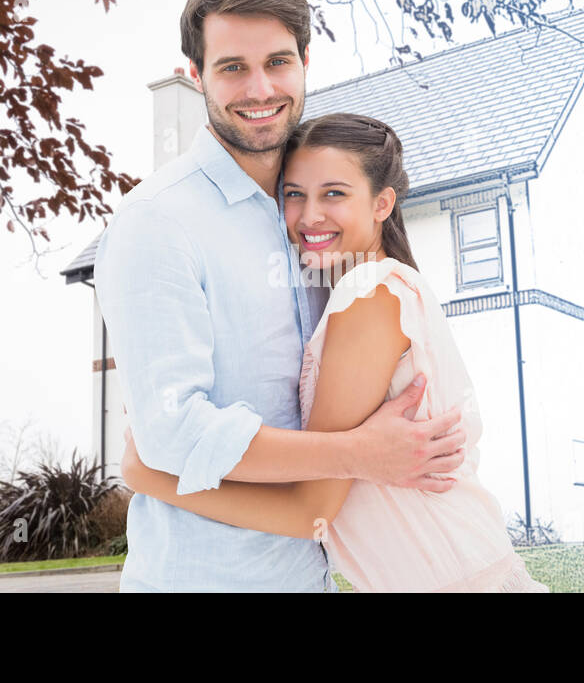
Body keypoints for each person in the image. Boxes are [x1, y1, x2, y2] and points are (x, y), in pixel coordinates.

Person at [95, 0, 468, 593]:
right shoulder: (156, 225)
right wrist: (357, 453)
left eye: (277, 61)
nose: (260, 88)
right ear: (197, 76)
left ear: (304, 62)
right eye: (232, 67)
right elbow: (171, 434)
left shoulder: (316, 222)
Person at [121, 113, 549, 593]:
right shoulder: (370, 287)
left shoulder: (367, 294)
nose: (309, 216)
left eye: (334, 194)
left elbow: (309, 512)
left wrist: (149, 474)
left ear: (382, 203)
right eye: (294, 194)